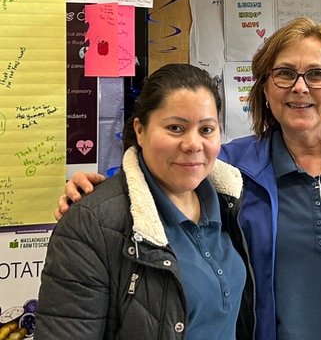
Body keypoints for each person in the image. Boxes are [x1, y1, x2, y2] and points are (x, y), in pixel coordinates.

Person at [60, 20, 321, 340]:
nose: (299, 87)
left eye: (316, 75)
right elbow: (165, 176)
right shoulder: (231, 168)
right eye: (284, 74)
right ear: (265, 88)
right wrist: (103, 189)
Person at [38, 64, 253, 340]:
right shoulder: (92, 224)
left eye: (207, 129)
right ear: (140, 130)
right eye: (175, 128)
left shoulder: (228, 204)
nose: (193, 144)